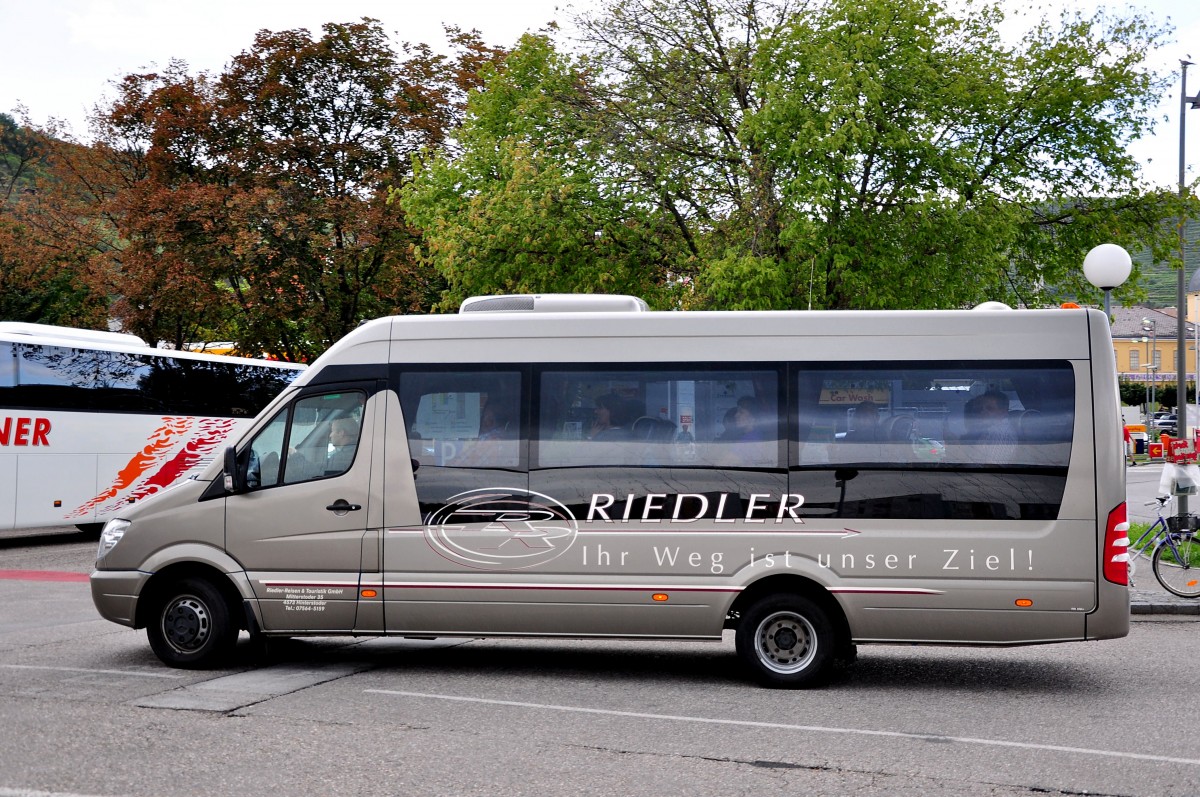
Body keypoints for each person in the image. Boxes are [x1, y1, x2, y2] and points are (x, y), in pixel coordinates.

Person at [964, 390, 1017, 463]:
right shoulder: (989, 430)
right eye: (981, 408)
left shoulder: (1002, 435)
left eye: (990, 408)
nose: (983, 412)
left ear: (1003, 412)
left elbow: (991, 469)